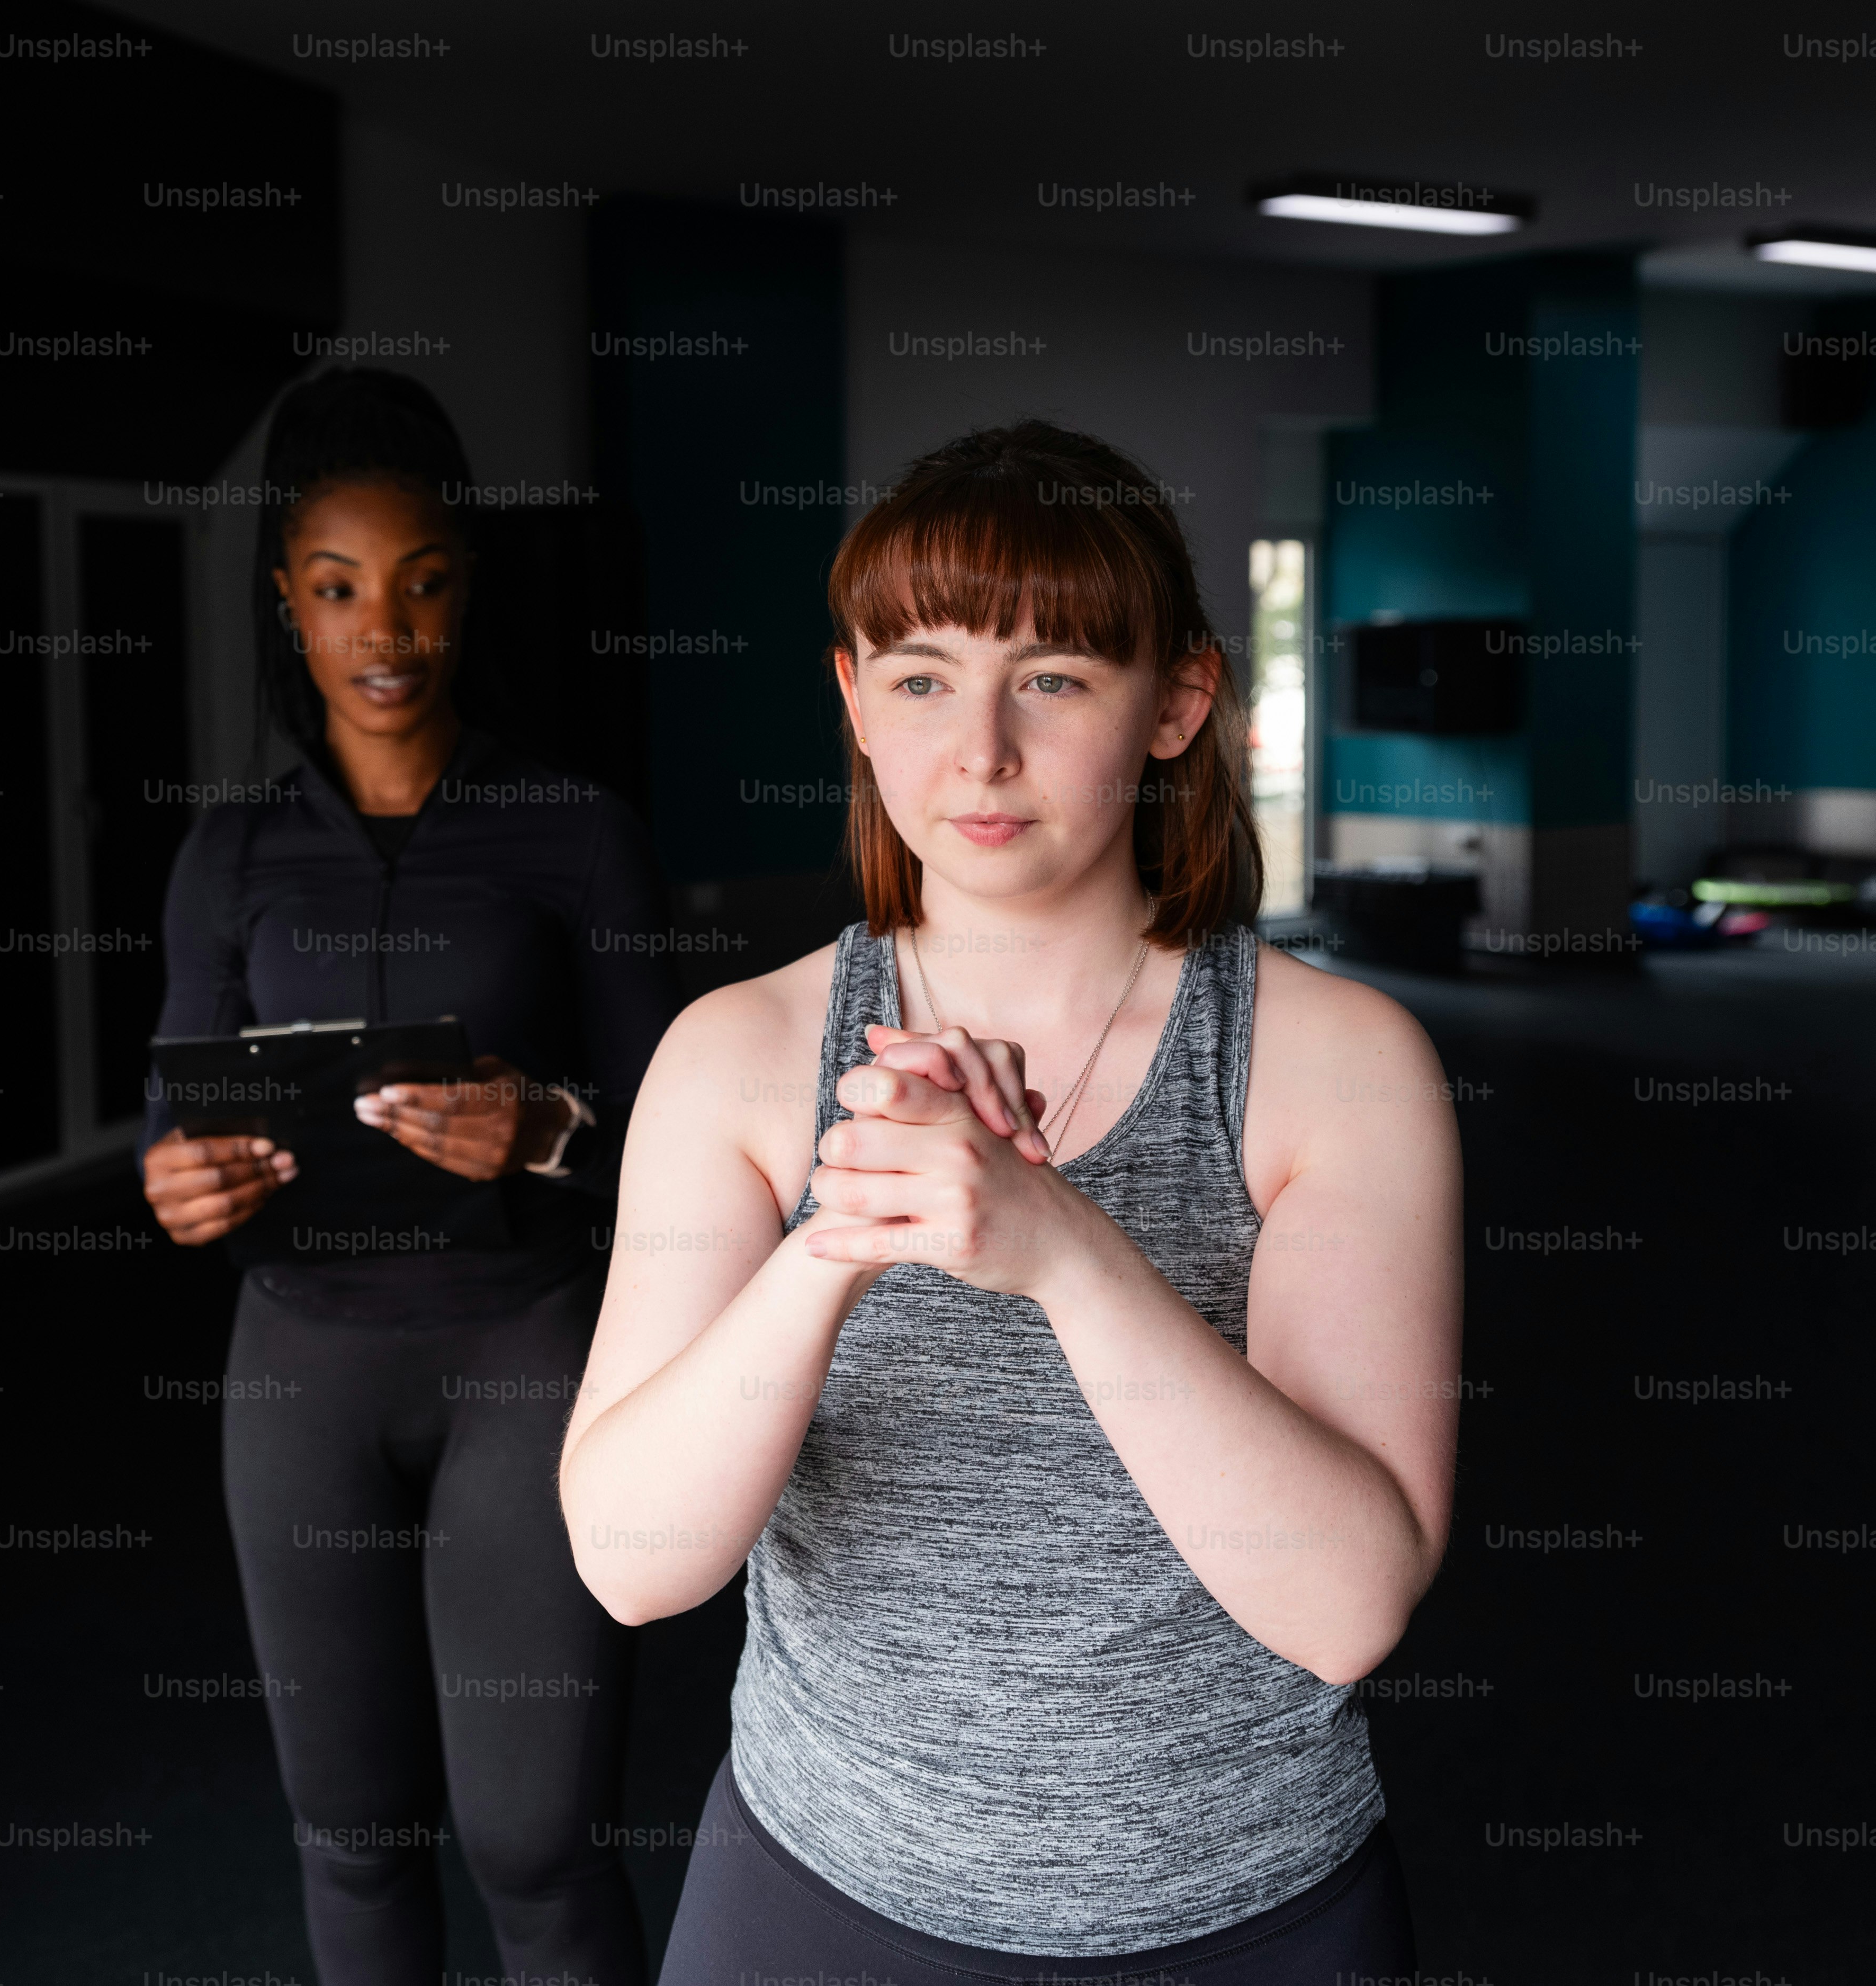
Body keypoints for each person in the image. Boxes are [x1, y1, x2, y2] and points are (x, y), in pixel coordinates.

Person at [559, 421, 1463, 1982]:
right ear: (854, 701)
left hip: (1246, 1913)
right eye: (920, 677)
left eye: (1052, 677)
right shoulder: (744, 1056)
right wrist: (834, 1240)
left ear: (1174, 704)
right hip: (819, 1896)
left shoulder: (1336, 1066)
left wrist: (1064, 1254)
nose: (978, 749)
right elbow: (636, 1565)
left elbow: (1348, 1606)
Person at [140, 368, 677, 1985]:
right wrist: (175, 1187)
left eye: (424, 582)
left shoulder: (575, 832)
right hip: (298, 1365)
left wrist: (548, 1130)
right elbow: (168, 1122)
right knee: (353, 1841)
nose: (386, 628)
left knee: (533, 1845)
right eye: (337, 588)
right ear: (288, 611)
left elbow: (677, 1138)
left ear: (469, 593)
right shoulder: (227, 857)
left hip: (526, 1351)